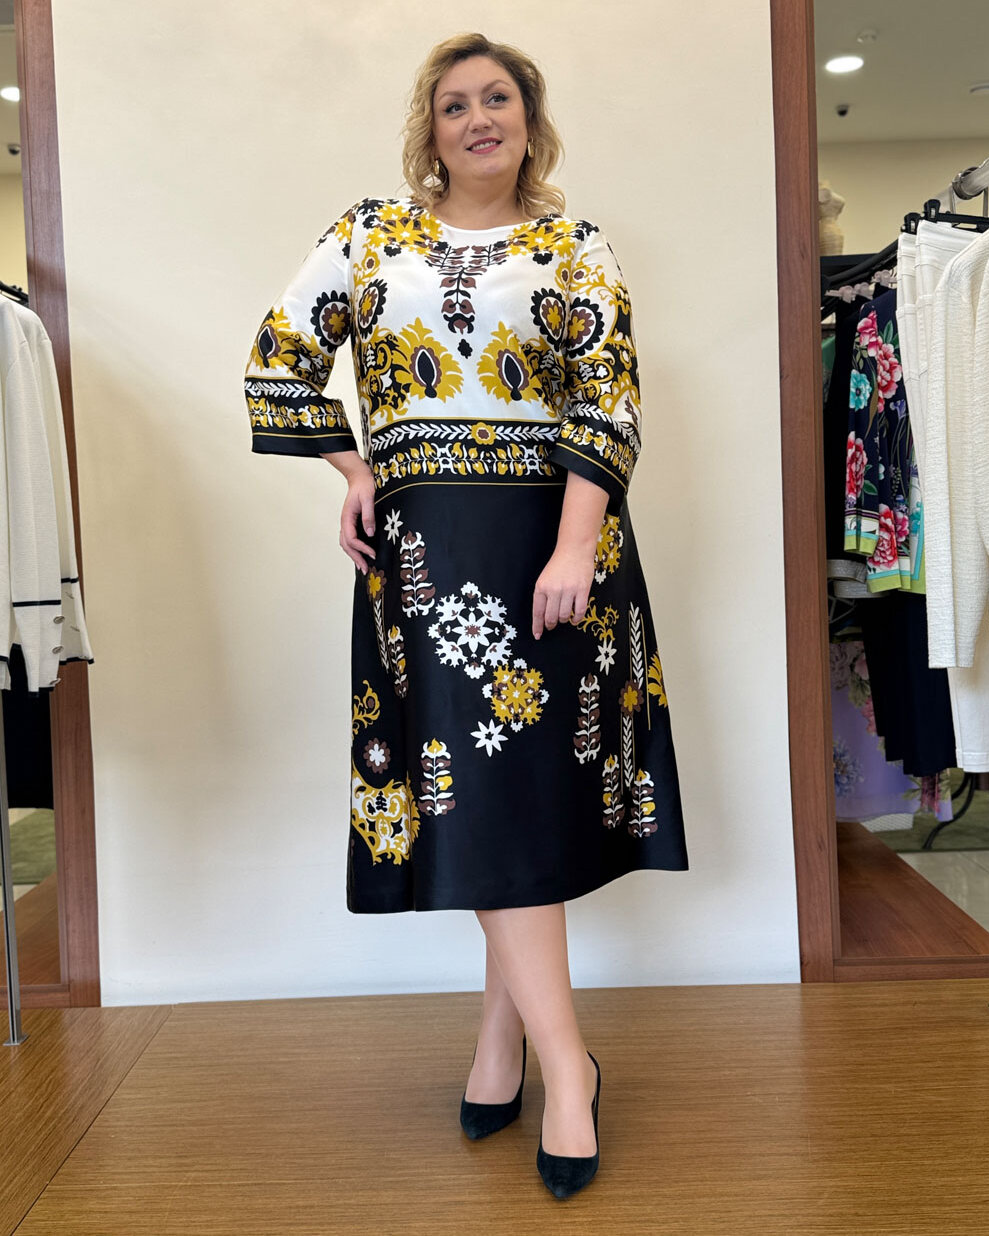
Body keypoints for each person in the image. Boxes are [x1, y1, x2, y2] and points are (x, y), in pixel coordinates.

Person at [244, 30, 689, 1199]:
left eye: (499, 99)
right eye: (455, 104)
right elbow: (278, 361)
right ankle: (552, 1056)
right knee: (477, 797)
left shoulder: (575, 246)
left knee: (517, 799)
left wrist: (575, 545)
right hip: (426, 557)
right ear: (429, 129)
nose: (478, 118)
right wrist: (354, 471)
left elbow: (608, 395)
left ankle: (536, 1056)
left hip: (554, 540)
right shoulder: (367, 235)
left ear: (530, 122)